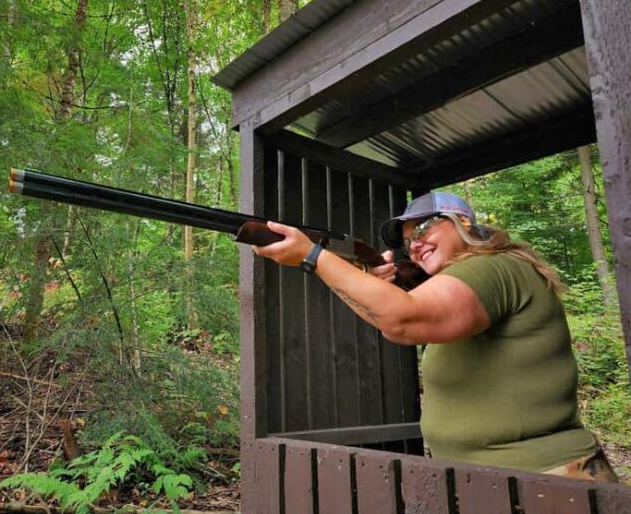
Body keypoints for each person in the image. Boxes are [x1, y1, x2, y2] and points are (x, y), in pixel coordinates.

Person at [253, 191, 617, 482]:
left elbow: (404, 320)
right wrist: (336, 271)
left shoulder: (494, 267)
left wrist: (314, 256)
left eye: (424, 227)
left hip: (547, 481)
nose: (415, 244)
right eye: (408, 240)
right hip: (497, 482)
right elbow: (388, 321)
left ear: (462, 222)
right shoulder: (472, 276)